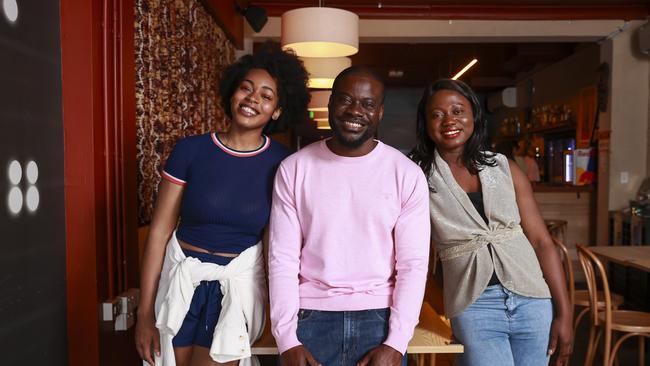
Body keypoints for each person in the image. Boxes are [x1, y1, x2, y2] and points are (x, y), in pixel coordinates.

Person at [134, 42, 309, 366]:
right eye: (246, 88)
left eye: (266, 96)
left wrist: (280, 318)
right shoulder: (190, 151)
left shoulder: (283, 163)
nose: (253, 99)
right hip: (179, 284)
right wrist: (144, 314)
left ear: (278, 111)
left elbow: (277, 247)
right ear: (232, 93)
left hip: (236, 290)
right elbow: (159, 233)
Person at [268, 66, 431, 366]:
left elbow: (413, 265)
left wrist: (396, 343)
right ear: (330, 104)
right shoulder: (294, 169)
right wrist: (286, 339)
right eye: (345, 100)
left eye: (368, 104)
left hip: (380, 321)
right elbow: (282, 258)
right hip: (310, 320)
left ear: (380, 113)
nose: (355, 110)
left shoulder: (406, 174)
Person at [409, 79, 572, 366]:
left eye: (458, 111)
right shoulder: (418, 177)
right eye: (437, 114)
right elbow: (416, 256)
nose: (449, 120)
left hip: (532, 298)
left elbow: (541, 241)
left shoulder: (504, 166)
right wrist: (443, 304)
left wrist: (564, 312)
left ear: (473, 115)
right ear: (426, 123)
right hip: (474, 306)